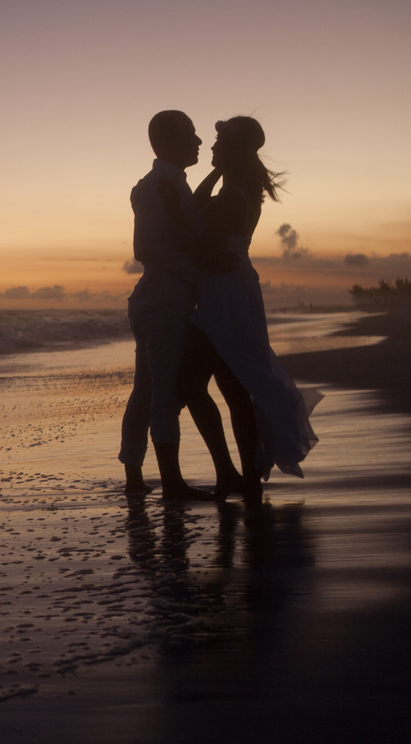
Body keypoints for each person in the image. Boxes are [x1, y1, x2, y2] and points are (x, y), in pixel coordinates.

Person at [158, 116, 319, 491]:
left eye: (218, 143)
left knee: (193, 386)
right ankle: (242, 477)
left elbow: (197, 245)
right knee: (232, 387)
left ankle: (237, 475)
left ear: (232, 149)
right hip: (229, 288)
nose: (210, 147)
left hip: (224, 293)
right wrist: (217, 172)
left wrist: (175, 207)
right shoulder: (236, 188)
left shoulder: (234, 196)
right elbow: (200, 210)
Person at [119, 110, 237, 500]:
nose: (200, 142)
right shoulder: (157, 187)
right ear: (169, 141)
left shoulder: (171, 185)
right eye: (191, 134)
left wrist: (219, 173)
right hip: (163, 301)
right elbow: (145, 248)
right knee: (164, 394)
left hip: (158, 300)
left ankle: (135, 476)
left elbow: (189, 216)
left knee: (146, 391)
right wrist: (199, 268)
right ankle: (171, 484)